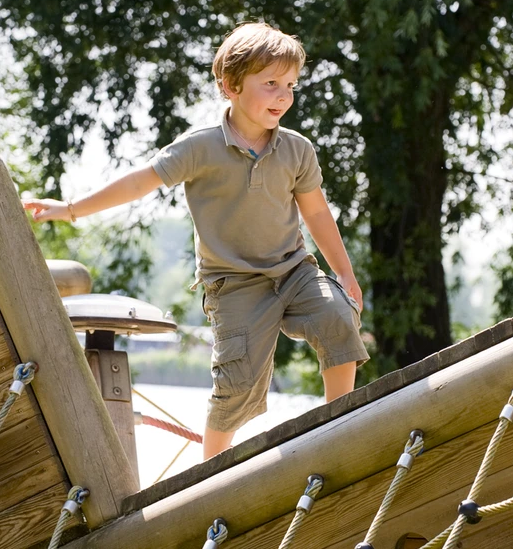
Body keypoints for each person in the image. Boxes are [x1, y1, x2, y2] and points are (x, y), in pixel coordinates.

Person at [24, 22, 368, 458]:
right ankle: (210, 472)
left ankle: (340, 429)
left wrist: (344, 273)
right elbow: (138, 183)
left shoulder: (296, 149)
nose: (283, 95)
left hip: (294, 270)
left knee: (338, 316)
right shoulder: (200, 147)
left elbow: (316, 212)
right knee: (237, 385)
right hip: (234, 284)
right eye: (270, 84)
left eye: (290, 85)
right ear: (230, 86)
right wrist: (69, 209)